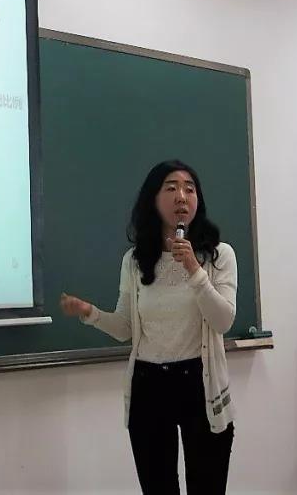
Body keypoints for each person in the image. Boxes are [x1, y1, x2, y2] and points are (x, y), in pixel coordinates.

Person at [60, 160, 237, 495]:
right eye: (171, 188)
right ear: (153, 200)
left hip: (200, 381)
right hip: (149, 384)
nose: (182, 196)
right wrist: (90, 313)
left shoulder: (218, 256)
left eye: (189, 189)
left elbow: (223, 320)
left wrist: (194, 270)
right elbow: (126, 328)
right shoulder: (135, 260)